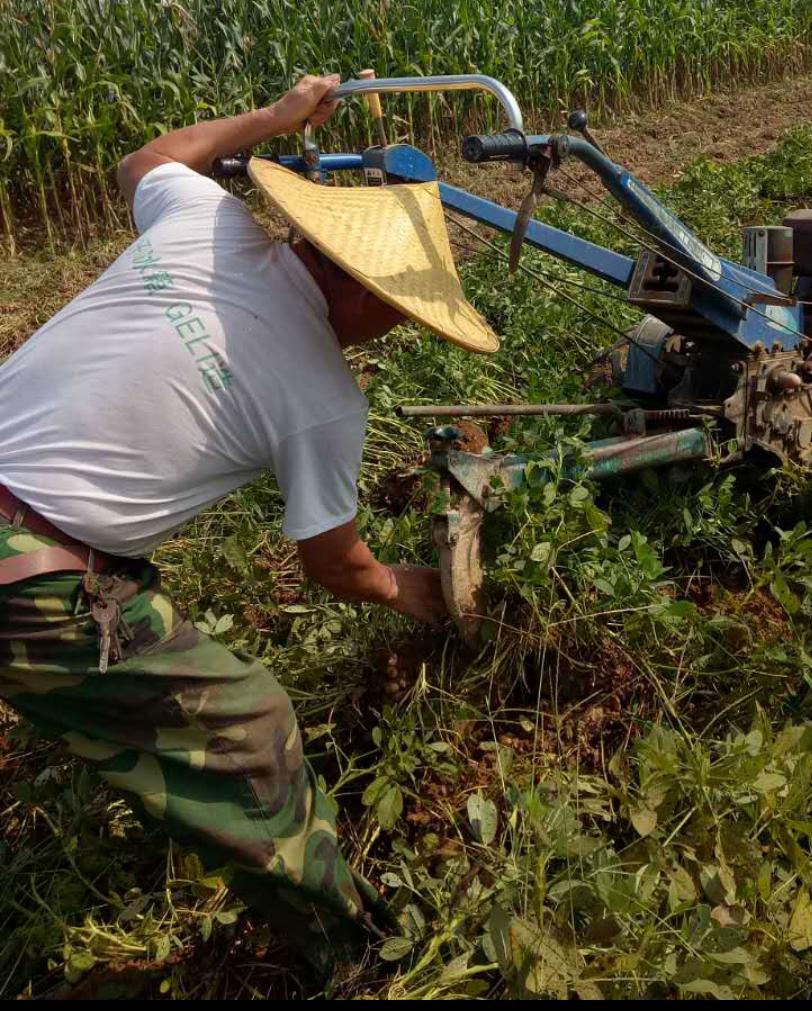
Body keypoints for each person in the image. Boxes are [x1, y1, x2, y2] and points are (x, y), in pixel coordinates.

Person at [0, 75, 498, 964]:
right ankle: (354, 953)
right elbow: (335, 567)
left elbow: (145, 159)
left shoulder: (207, 221)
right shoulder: (324, 398)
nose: (391, 330)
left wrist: (273, 119)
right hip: (24, 576)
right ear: (370, 296)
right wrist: (417, 591)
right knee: (250, 725)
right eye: (400, 313)